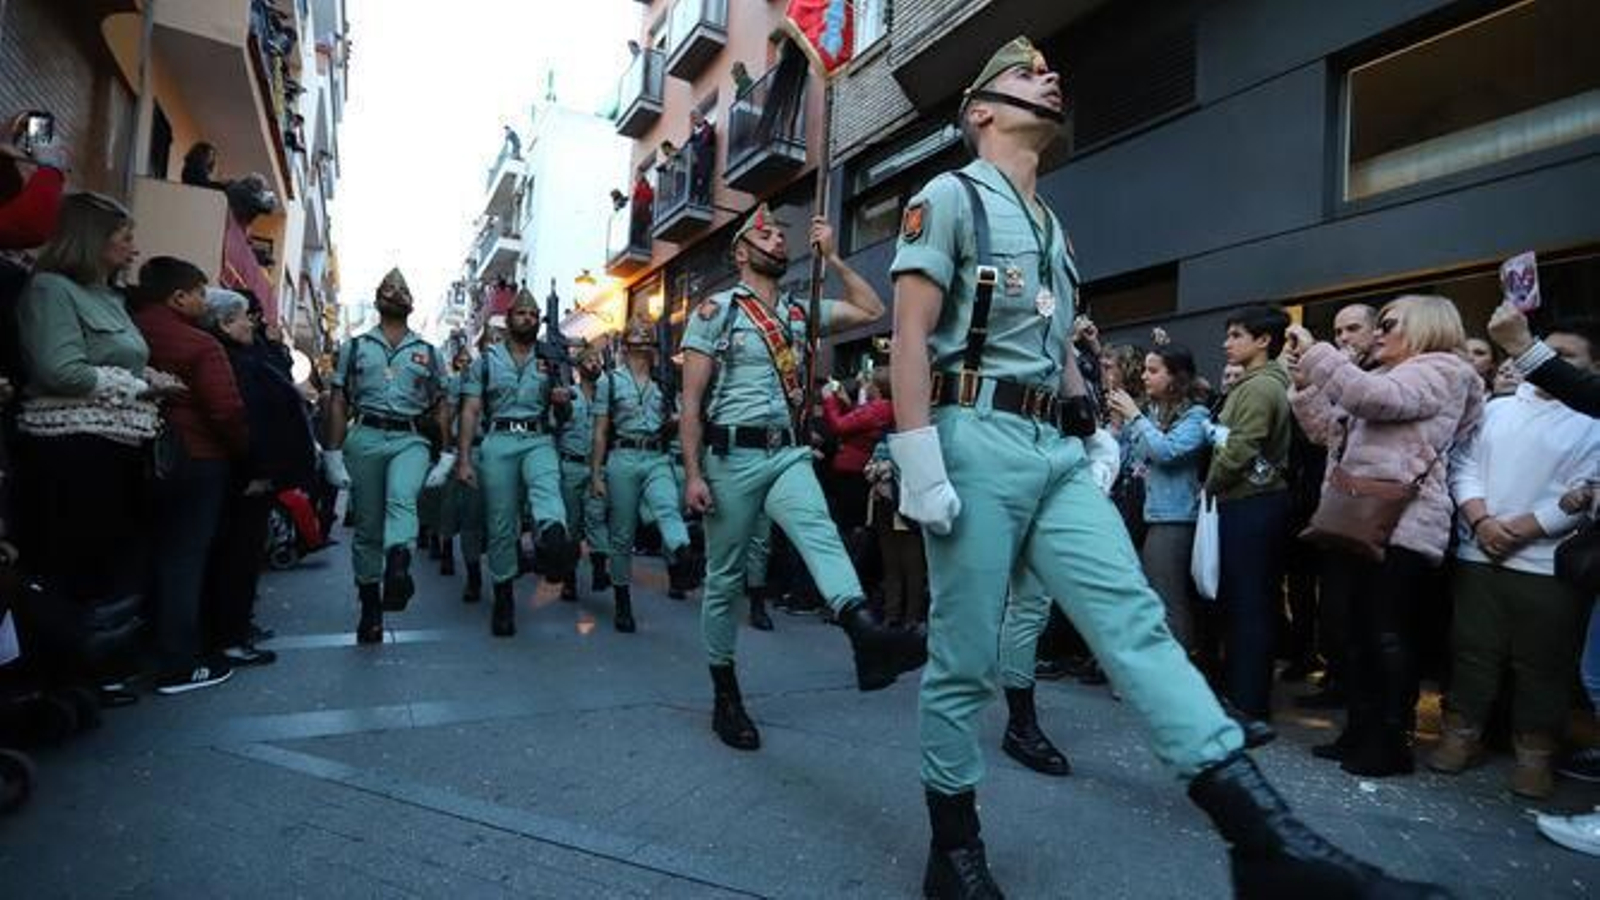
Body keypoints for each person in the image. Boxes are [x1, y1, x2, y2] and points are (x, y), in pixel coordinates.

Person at [885, 38, 1444, 898]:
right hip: (973, 439)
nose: (1053, 78)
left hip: (1052, 452)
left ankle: (1265, 839)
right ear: (982, 111)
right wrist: (918, 455)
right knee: (963, 659)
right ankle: (953, 849)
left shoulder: (1052, 228)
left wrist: (1091, 428)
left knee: (1136, 619)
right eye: (1029, 73)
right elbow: (911, 336)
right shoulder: (948, 196)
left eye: (1052, 71)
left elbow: (1057, 352)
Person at [680, 204, 926, 752]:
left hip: (786, 453)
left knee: (819, 529)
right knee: (724, 581)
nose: (776, 239)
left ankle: (864, 634)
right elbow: (691, 403)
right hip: (730, 459)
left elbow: (870, 306)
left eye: (780, 234)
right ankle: (725, 694)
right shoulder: (714, 312)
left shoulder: (799, 312)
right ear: (742, 251)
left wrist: (834, 255)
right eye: (763, 233)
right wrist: (693, 473)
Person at [1284, 297, 1483, 777]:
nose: (1377, 333)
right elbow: (1324, 433)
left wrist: (1319, 355)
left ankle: (1390, 743)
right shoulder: (1382, 376)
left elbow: (1376, 400)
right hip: (1354, 515)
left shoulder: (1443, 370)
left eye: (1388, 324)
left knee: (1384, 632)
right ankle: (1360, 730)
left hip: (1404, 522)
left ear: (1425, 326)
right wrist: (1304, 383)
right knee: (1349, 631)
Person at [1435, 321, 1600, 799]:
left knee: (1543, 663)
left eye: (1566, 356)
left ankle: (1534, 753)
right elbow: (1462, 464)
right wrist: (1482, 521)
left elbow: (1586, 489)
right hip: (1477, 550)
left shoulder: (1592, 421)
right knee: (1471, 649)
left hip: (1547, 562)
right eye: (1547, 351)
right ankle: (1461, 735)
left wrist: (1528, 528)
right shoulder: (1495, 407)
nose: (1550, 361)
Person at [15, 193, 158, 638]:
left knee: (104, 563)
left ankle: (89, 668)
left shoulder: (110, 298)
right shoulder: (51, 290)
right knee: (70, 562)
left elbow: (123, 360)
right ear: (93, 239)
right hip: (72, 453)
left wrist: (151, 379)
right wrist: (139, 387)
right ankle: (62, 674)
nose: (133, 248)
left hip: (116, 450)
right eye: (124, 237)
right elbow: (59, 370)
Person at [131, 258, 249, 694]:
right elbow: (226, 410)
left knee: (147, 553)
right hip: (196, 456)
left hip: (135, 451)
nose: (204, 300)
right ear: (178, 296)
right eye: (200, 292)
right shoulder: (200, 344)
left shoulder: (131, 328)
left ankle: (137, 652)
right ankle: (179, 662)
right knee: (184, 560)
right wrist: (240, 452)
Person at [324, 269, 452, 643]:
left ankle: (399, 563)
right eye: (387, 288)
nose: (394, 292)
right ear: (377, 299)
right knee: (366, 528)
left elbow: (442, 404)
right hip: (363, 434)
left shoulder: (428, 353)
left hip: (409, 438)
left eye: (402, 290)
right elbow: (338, 399)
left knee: (402, 497)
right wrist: (331, 452)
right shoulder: (356, 345)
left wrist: (445, 454)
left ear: (412, 304)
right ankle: (371, 607)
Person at [201, 287, 316, 667]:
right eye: (240, 317)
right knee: (236, 556)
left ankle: (234, 629)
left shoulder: (245, 354)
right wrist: (258, 469)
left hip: (255, 473)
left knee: (243, 555)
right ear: (223, 323)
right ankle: (227, 637)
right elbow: (240, 416)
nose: (250, 323)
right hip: (247, 475)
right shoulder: (229, 358)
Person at [454, 289, 573, 637]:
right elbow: (471, 410)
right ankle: (504, 597)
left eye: (534, 315)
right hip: (498, 441)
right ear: (508, 320)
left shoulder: (550, 360)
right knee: (501, 523)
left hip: (538, 438)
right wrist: (463, 459)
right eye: (521, 313)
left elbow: (562, 414)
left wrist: (562, 399)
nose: (528, 319)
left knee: (547, 485)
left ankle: (553, 537)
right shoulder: (486, 361)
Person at [1204, 305, 1293, 743]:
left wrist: (1210, 484)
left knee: (1250, 605)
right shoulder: (1253, 384)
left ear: (1263, 341)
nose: (1227, 343)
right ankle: (1243, 698)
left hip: (1252, 504)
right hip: (1247, 502)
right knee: (1246, 603)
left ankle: (1249, 703)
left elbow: (1240, 449)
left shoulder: (1260, 388)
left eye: (1237, 334)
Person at [1106, 345, 1211, 649]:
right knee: (1154, 596)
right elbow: (1134, 457)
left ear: (1176, 377)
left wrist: (1135, 417)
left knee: (1169, 599)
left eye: (1153, 371)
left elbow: (1165, 452)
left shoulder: (1196, 415)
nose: (1144, 376)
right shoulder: (1154, 412)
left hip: (1176, 517)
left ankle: (1177, 678)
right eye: (1145, 370)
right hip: (1153, 513)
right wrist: (1121, 423)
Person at [591, 315, 689, 633]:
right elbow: (601, 431)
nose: (641, 348)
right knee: (621, 533)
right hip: (622, 456)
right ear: (626, 346)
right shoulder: (610, 381)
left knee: (667, 506)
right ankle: (622, 599)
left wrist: (675, 420)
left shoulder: (664, 381)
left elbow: (679, 419)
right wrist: (596, 474)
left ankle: (683, 553)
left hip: (656, 455)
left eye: (646, 342)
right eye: (636, 342)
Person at [557, 341, 611, 602]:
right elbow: (556, 424)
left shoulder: (607, 396)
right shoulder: (568, 395)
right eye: (589, 361)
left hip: (597, 466)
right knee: (571, 525)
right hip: (570, 465)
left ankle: (600, 570)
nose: (595, 364)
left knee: (597, 517)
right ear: (579, 367)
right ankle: (569, 580)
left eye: (598, 360)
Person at [1488, 303, 1600, 417]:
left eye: (1561, 354)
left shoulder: (1593, 422)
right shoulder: (1495, 408)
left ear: (1597, 368)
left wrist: (1523, 348)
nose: (1547, 359)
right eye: (1543, 351)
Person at [821, 367, 895, 532]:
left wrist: (829, 399)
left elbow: (840, 426)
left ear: (876, 387)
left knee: (847, 520)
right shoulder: (884, 407)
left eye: (866, 383)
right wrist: (846, 403)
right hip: (857, 468)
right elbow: (857, 425)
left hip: (852, 470)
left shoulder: (877, 408)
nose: (864, 387)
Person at [687, 109, 715, 206]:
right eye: (693, 119)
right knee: (694, 180)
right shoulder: (694, 133)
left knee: (704, 180)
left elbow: (705, 142)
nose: (694, 121)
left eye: (695, 118)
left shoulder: (708, 128)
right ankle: (695, 199)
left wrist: (693, 149)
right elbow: (686, 146)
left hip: (705, 161)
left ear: (701, 116)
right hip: (697, 163)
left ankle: (704, 199)